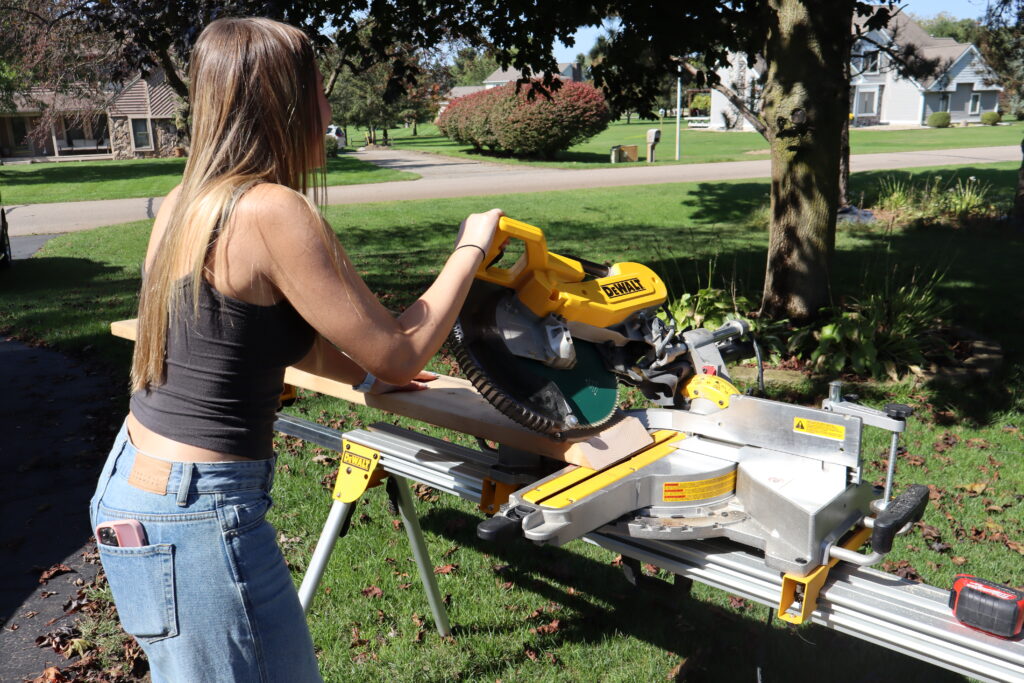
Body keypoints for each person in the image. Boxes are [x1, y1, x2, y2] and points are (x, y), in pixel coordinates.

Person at [88, 16, 501, 683]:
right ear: (284, 103)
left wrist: (374, 373)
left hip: (135, 485)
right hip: (199, 511)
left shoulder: (181, 203)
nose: (330, 108)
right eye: (319, 90)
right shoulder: (271, 211)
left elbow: (271, 341)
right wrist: (472, 247)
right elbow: (398, 354)